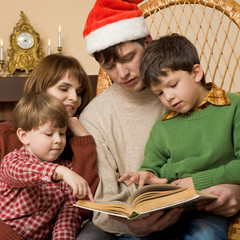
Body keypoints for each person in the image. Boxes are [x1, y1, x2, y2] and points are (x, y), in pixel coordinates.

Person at [77, 0, 240, 239]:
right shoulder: (95, 117)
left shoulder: (192, 93)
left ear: (147, 42)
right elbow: (107, 201)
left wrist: (236, 190)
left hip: (200, 211)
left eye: (128, 58)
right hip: (135, 222)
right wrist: (134, 222)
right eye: (110, 67)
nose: (122, 74)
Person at [0, 54, 99, 240]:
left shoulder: (68, 143)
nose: (74, 98)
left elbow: (82, 208)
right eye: (64, 88)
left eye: (79, 92)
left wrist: (84, 139)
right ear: (40, 89)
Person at [119, 33, 240, 239]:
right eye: (159, 93)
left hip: (207, 211)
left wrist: (197, 182)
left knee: (205, 235)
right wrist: (145, 175)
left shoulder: (233, 107)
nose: (168, 97)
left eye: (173, 85)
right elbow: (152, 166)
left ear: (196, 73)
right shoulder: (163, 126)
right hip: (167, 212)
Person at [0, 92, 94, 239]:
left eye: (62, 133)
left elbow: (67, 216)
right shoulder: (13, 160)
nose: (58, 140)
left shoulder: (68, 170)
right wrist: (59, 171)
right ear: (24, 136)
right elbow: (19, 172)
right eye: (49, 134)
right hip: (0, 234)